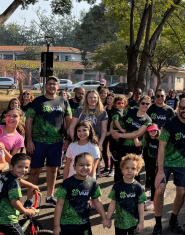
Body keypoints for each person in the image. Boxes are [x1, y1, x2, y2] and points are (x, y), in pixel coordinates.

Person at [152, 98, 185, 234]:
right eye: (182, 108)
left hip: (182, 162)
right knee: (160, 190)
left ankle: (173, 220)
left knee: (181, 192)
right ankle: (157, 224)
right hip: (166, 161)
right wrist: (160, 170)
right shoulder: (169, 123)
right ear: (178, 108)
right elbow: (161, 148)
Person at [25, 75, 72, 208]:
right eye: (49, 83)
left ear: (58, 86)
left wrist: (68, 139)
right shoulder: (37, 102)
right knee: (35, 170)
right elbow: (28, 121)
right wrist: (29, 141)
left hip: (57, 142)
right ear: (45, 86)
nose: (52, 86)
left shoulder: (64, 101)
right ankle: (29, 199)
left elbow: (69, 121)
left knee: (53, 170)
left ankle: (50, 197)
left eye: (55, 84)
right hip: (38, 142)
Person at [53, 152, 110, 235]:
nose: (85, 167)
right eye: (81, 165)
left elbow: (97, 201)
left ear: (93, 166)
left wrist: (104, 217)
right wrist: (56, 226)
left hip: (84, 223)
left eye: (88, 165)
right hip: (66, 224)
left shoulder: (93, 183)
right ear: (74, 167)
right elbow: (59, 205)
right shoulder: (67, 183)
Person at [110, 96, 152, 183]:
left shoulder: (147, 120)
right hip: (120, 145)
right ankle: (117, 192)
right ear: (139, 103)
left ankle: (135, 192)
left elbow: (137, 133)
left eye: (147, 103)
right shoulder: (130, 110)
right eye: (143, 103)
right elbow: (116, 119)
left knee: (134, 170)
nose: (145, 105)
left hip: (133, 147)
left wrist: (120, 135)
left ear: (150, 105)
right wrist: (111, 129)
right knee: (119, 169)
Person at [107, 154, 147, 235]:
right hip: (120, 223)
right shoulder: (116, 186)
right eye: (127, 168)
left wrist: (141, 222)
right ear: (122, 169)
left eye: (133, 168)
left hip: (134, 222)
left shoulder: (138, 187)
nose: (129, 170)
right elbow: (112, 204)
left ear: (137, 171)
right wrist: (107, 218)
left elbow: (141, 205)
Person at [0, 153, 37, 235]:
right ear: (11, 167)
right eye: (20, 167)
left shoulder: (8, 176)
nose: (23, 170)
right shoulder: (14, 183)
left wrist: (31, 185)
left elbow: (18, 180)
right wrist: (25, 211)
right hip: (7, 220)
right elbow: (14, 201)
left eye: (26, 167)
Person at [68, 90, 108, 161]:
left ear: (98, 98)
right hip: (81, 142)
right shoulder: (80, 110)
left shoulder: (103, 112)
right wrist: (74, 140)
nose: (93, 99)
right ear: (86, 99)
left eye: (95, 97)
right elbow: (72, 127)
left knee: (93, 165)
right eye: (90, 97)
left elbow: (104, 130)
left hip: (95, 143)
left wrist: (101, 142)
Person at [134, 124, 160, 210]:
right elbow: (137, 144)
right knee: (151, 179)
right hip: (149, 163)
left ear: (157, 131)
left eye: (154, 130)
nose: (153, 132)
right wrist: (135, 135)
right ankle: (154, 197)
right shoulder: (146, 140)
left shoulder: (160, 140)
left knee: (155, 181)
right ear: (148, 132)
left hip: (158, 163)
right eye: (151, 131)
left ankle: (153, 200)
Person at [102, 93, 116, 177]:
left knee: (112, 150)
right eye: (108, 98)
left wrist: (110, 132)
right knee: (103, 150)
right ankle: (106, 167)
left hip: (112, 133)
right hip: (104, 132)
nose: (109, 100)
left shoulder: (115, 110)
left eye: (111, 99)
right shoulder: (104, 109)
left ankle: (112, 169)